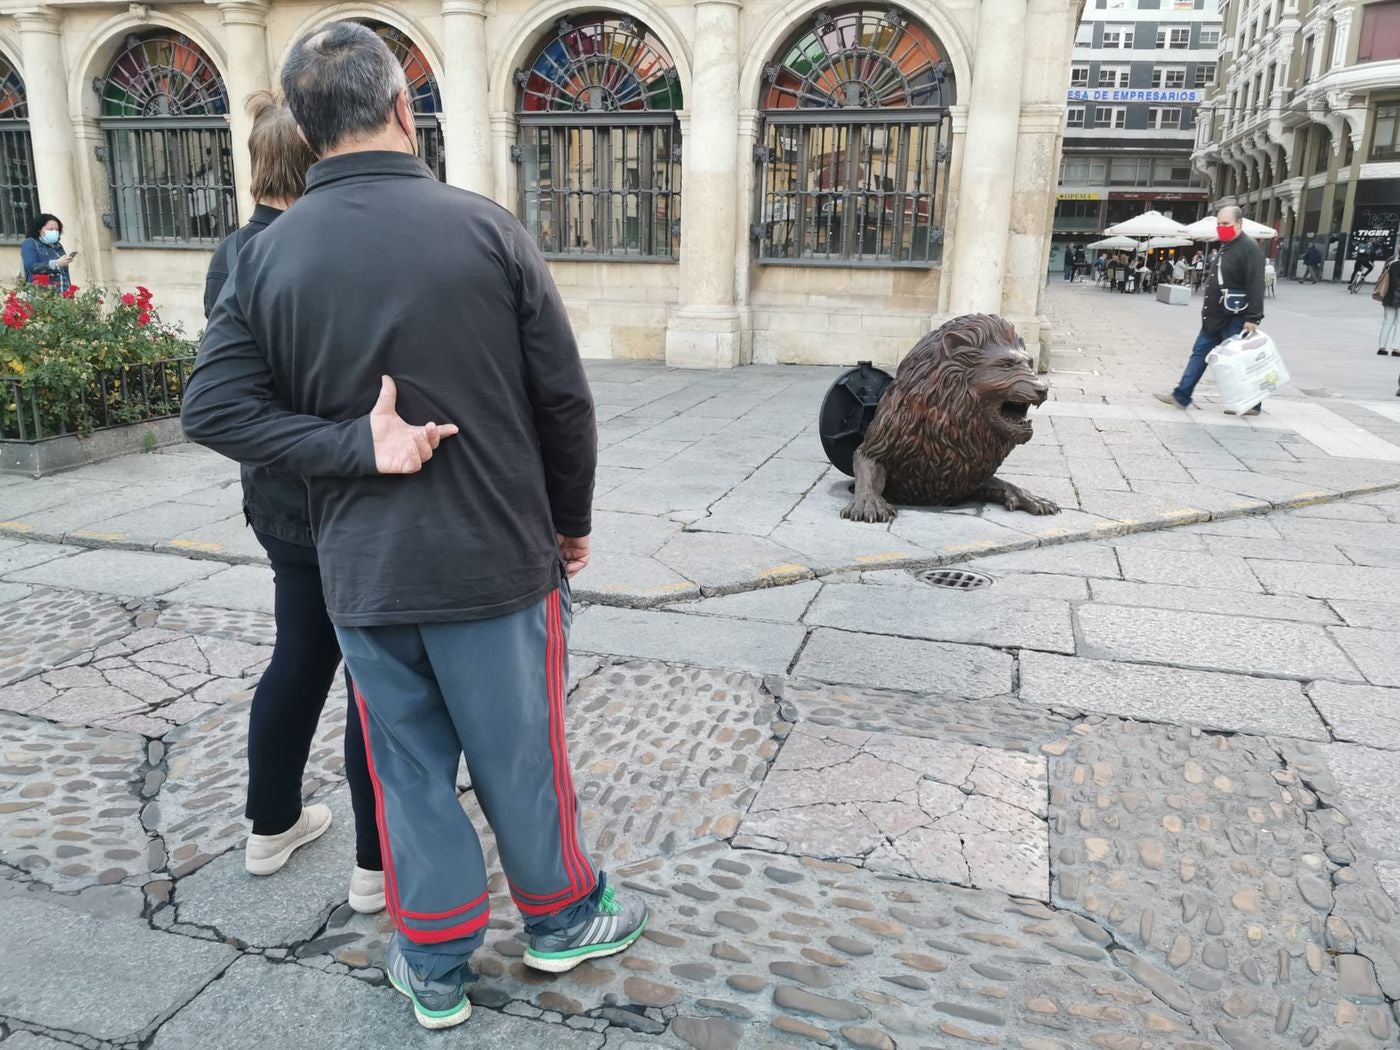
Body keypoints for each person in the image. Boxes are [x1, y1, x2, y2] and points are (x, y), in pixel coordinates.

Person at [181, 22, 647, 1031]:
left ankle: (433, 963)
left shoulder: (266, 252)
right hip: (493, 556)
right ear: (405, 109)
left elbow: (211, 409)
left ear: (303, 130)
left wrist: (354, 446)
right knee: (521, 752)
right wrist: (570, 525)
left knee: (404, 767)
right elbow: (562, 402)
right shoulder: (484, 228)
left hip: (364, 570)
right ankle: (562, 916)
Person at [201, 91, 384, 914]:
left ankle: (270, 825)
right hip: (351, 495)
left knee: (300, 657)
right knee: (374, 677)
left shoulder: (233, 252)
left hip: (278, 502)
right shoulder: (324, 247)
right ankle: (375, 864)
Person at [1156, 205, 1266, 415]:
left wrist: (1254, 317)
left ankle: (1253, 403)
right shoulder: (1227, 246)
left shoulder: (1249, 248)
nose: (1221, 228)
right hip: (1215, 316)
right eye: (1219, 224)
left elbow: (1256, 283)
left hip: (1235, 316)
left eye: (1226, 224)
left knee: (1236, 360)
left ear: (1239, 224)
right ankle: (1181, 395)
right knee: (1199, 354)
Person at [20, 213, 74, 294]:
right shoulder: (31, 243)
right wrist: (56, 263)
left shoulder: (58, 246)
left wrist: (70, 291)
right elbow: (32, 267)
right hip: (42, 295)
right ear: (39, 229)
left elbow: (64, 273)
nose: (54, 232)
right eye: (50, 229)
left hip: (62, 294)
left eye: (57, 230)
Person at [1375, 246, 1400, 357]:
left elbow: (1382, 277)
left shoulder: (1390, 262)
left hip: (1389, 296)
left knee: (1387, 322)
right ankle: (1396, 349)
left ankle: (1382, 347)